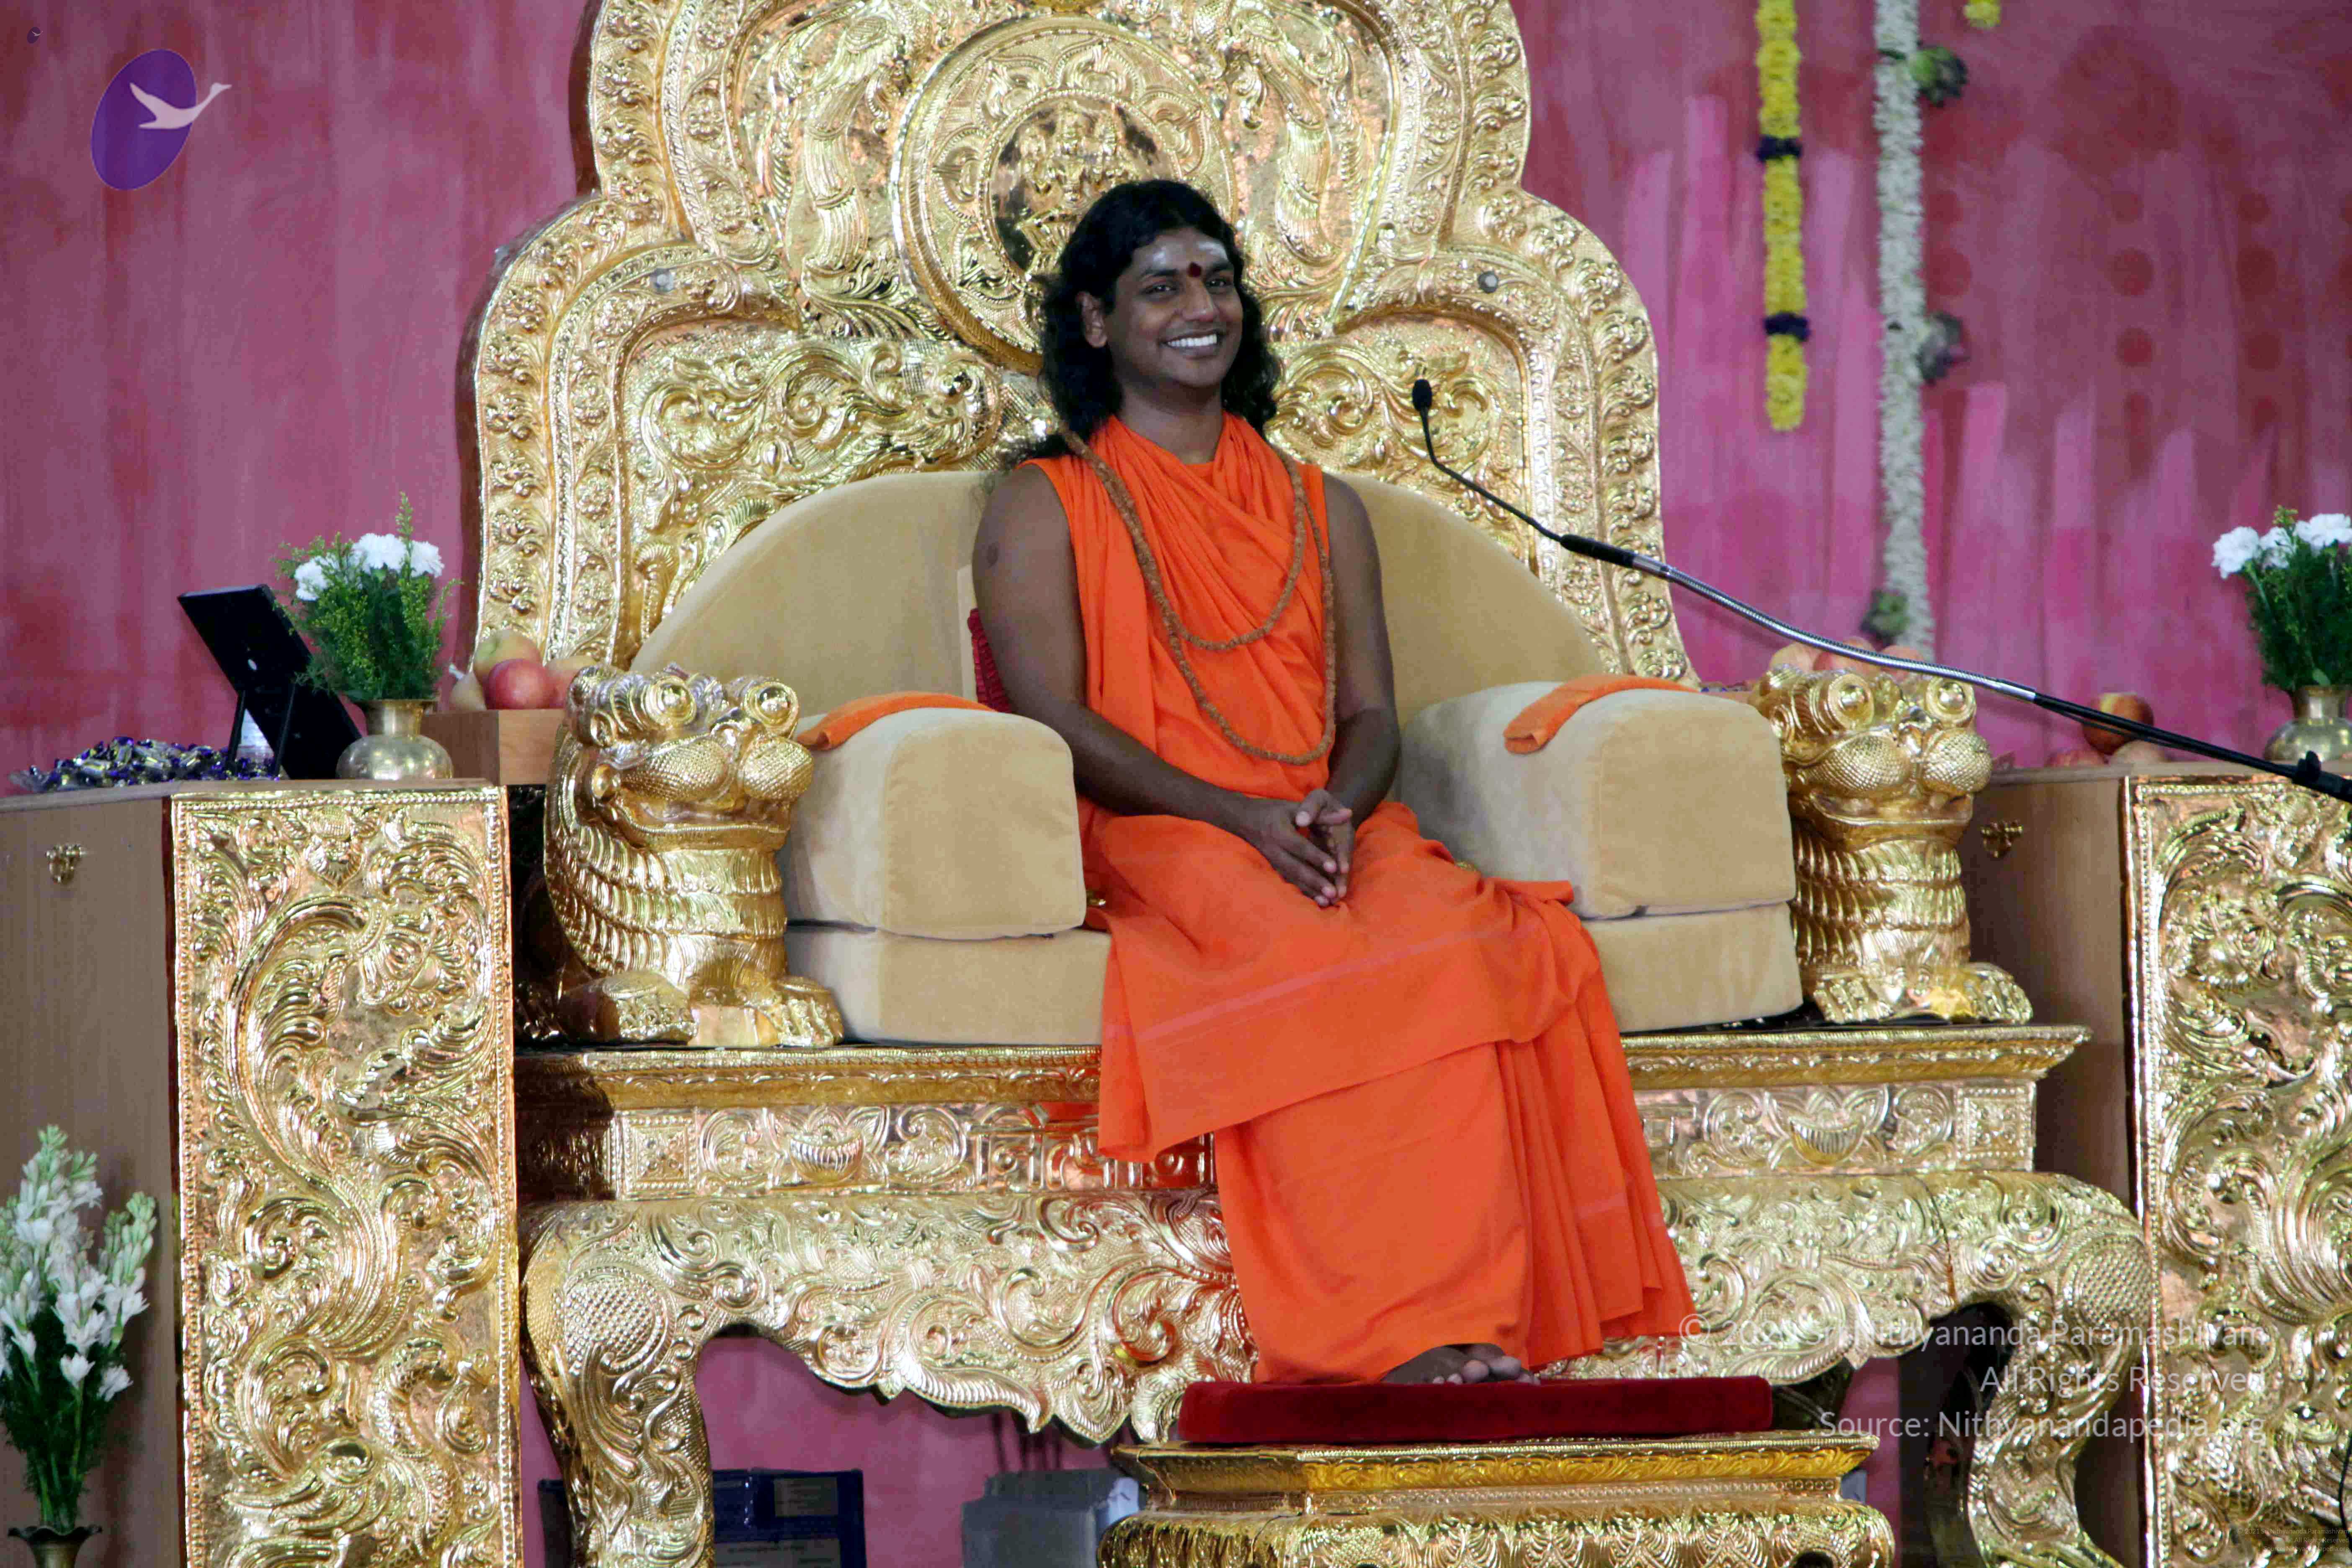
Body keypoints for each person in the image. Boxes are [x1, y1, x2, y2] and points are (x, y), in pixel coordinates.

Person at [972, 180, 1692, 1385]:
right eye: (1161, 288)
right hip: (1156, 829)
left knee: (1459, 942)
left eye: (1217, 281)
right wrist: (1240, 819)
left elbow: (1369, 716)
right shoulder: (1047, 502)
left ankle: (1473, 1314)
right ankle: (1373, 1339)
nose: (1201, 308)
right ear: (1096, 322)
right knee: (1300, 952)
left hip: (1320, 818)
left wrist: (1336, 811)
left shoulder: (1323, 506)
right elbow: (1056, 719)